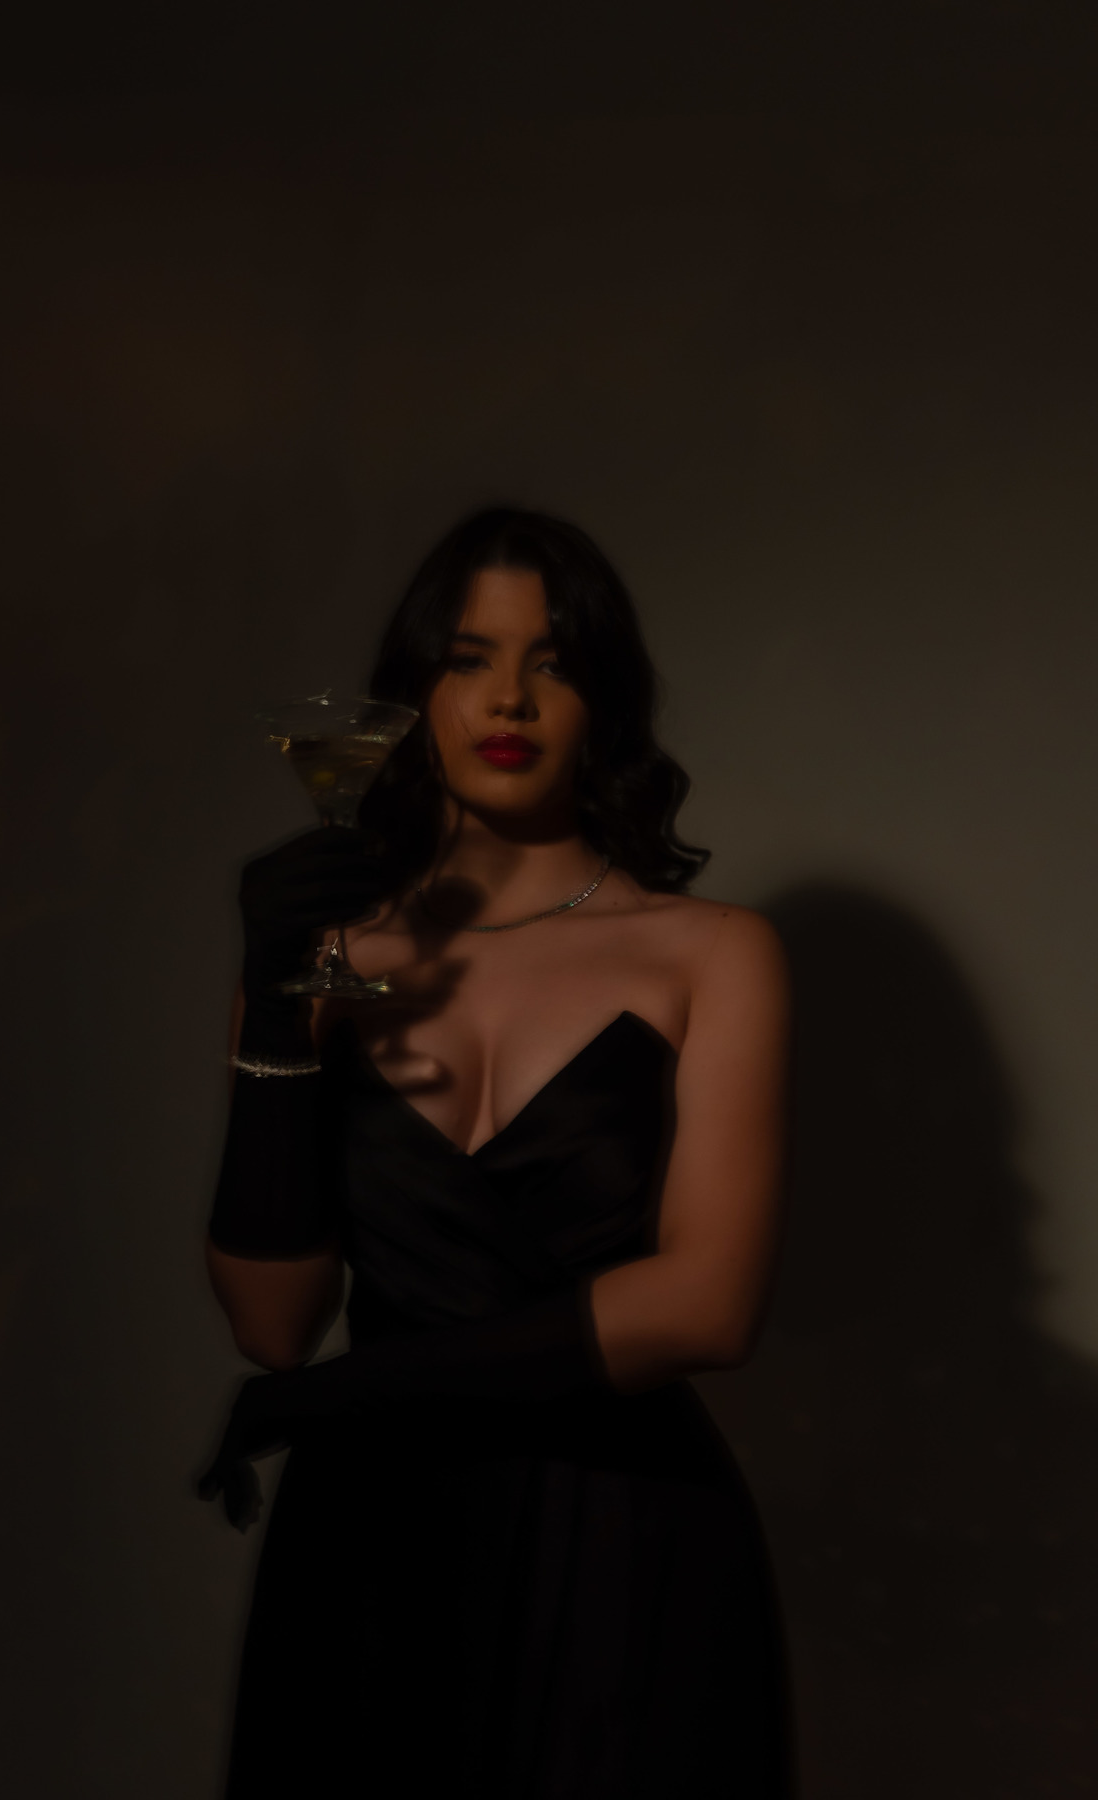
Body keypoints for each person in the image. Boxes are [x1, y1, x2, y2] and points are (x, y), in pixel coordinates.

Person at [199, 507, 793, 1798]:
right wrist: (275, 1009)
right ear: (415, 692)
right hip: (368, 1552)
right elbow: (273, 1323)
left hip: (624, 1537)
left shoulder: (712, 953)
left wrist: (343, 1398)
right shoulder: (323, 963)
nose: (509, 697)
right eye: (468, 658)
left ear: (604, 700)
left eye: (553, 662)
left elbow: (709, 1304)